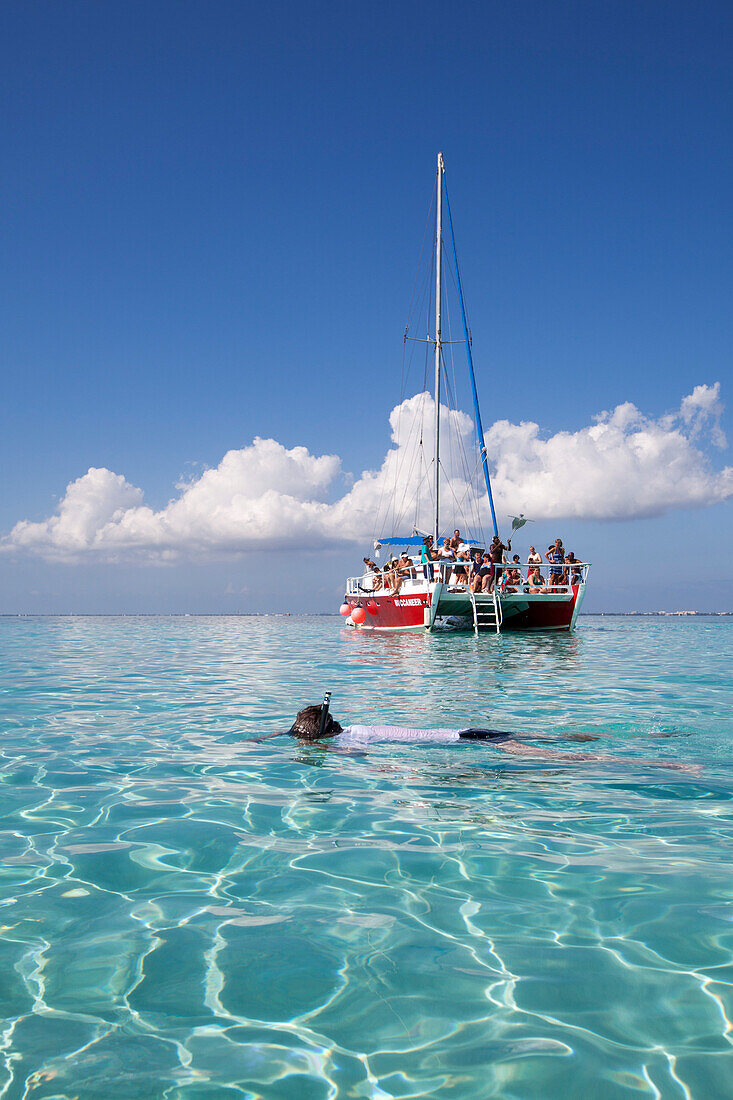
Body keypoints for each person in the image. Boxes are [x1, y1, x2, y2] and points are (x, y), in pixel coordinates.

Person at [286, 704, 698, 771]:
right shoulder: (357, 728)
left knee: (563, 760)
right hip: (471, 729)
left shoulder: (351, 744)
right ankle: (661, 736)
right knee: (565, 739)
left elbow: (371, 764)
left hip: (476, 743)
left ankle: (668, 764)